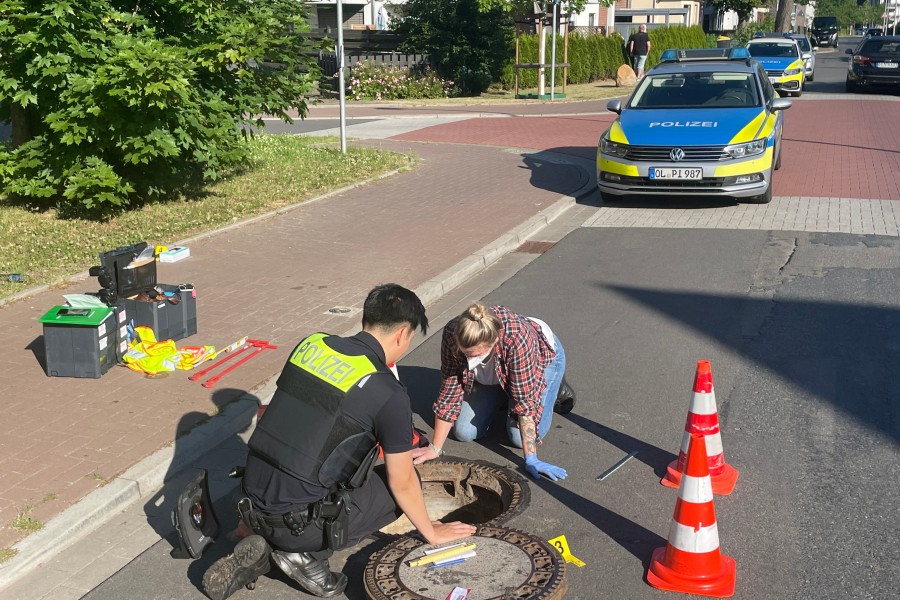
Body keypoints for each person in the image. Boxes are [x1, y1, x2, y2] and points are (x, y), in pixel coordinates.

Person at [202, 284, 477, 600]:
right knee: (402, 480)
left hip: (250, 501)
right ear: (403, 334)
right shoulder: (388, 392)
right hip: (296, 525)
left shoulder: (312, 345)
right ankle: (302, 555)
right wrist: (431, 531)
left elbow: (278, 416)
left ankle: (256, 533)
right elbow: (401, 482)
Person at [412, 303, 575, 482]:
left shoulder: (518, 339)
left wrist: (531, 458)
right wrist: (435, 448)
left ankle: (553, 385)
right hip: (494, 370)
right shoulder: (452, 331)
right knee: (464, 432)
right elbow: (450, 389)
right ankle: (505, 388)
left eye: (476, 355)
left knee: (517, 439)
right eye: (466, 354)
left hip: (538, 357)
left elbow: (525, 403)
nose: (469, 360)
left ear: (495, 341)